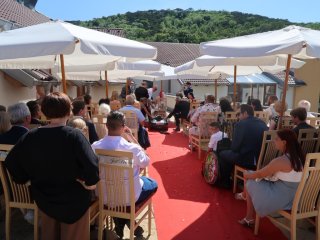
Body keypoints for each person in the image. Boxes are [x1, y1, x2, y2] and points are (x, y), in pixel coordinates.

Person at [5, 92, 99, 240]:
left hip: (45, 198)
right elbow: (92, 168)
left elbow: (11, 162)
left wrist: (27, 180)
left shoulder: (31, 136)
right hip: (73, 202)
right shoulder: (75, 135)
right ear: (69, 111)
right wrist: (89, 184)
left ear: (43, 112)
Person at [92, 111, 157, 239]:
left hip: (105, 196)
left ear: (106, 126)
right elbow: (146, 162)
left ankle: (120, 224)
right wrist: (132, 137)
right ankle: (130, 224)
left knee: (117, 190)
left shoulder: (94, 146)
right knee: (152, 183)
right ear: (123, 127)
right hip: (129, 198)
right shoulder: (132, 148)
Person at [239, 129, 304, 226]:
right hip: (296, 198)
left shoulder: (281, 161)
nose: (274, 141)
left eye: (276, 139)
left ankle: (249, 217)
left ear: (284, 142)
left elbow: (260, 174)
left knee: (249, 179)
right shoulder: (299, 158)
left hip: (282, 199)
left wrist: (245, 175)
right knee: (251, 176)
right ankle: (245, 198)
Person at [219, 104, 268, 188]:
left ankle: (226, 182)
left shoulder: (240, 124)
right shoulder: (263, 123)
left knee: (223, 154)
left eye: (239, 114)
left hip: (247, 160)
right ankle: (237, 178)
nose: (238, 117)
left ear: (245, 113)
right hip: (262, 159)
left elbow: (234, 148)